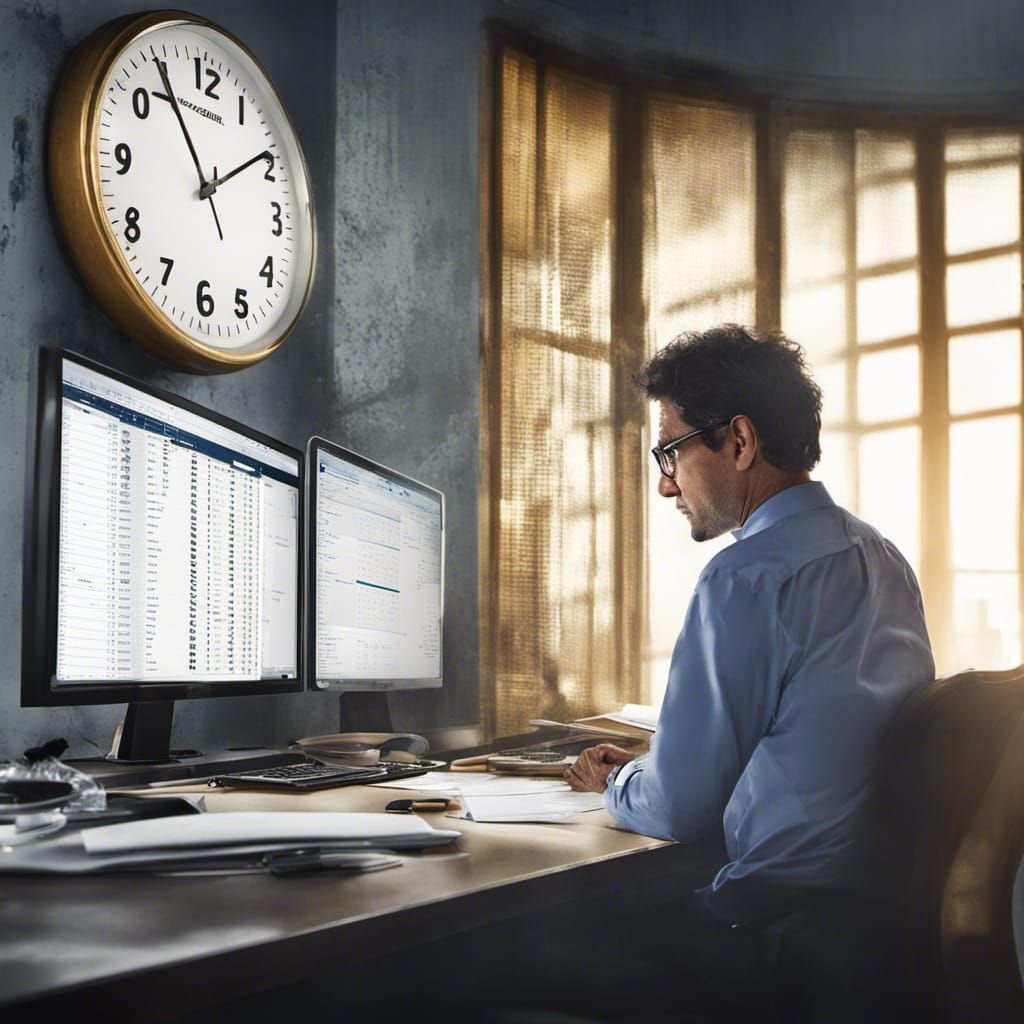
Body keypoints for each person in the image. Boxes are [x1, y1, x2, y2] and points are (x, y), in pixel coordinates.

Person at [565, 324, 934, 1021]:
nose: (663, 482)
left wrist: (617, 779)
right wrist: (661, 760)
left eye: (670, 449)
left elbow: (679, 808)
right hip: (873, 939)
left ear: (738, 442)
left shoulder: (746, 578)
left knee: (499, 963)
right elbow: (817, 734)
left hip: (773, 942)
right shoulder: (882, 559)